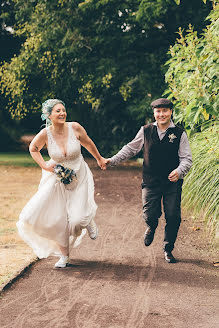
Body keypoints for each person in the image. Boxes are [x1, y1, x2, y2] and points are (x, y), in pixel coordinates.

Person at [17, 99, 106, 268]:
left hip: (79, 175)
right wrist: (44, 165)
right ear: (49, 115)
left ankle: (88, 220)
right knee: (57, 219)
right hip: (57, 179)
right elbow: (33, 148)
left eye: (63, 110)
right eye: (57, 111)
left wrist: (99, 159)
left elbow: (88, 143)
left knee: (77, 220)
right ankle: (64, 257)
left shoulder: (75, 128)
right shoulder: (46, 133)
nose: (62, 113)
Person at [105, 98, 192, 263]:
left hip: (172, 183)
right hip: (151, 181)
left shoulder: (180, 133)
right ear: (154, 113)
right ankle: (151, 227)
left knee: (173, 216)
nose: (162, 114)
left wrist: (179, 171)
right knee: (150, 215)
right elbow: (131, 148)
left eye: (165, 111)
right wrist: (112, 160)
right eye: (158, 111)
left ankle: (168, 249)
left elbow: (187, 159)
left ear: (171, 112)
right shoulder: (146, 131)